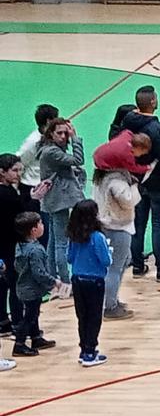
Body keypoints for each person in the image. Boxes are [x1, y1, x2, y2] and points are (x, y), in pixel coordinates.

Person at [123, 86, 160, 281]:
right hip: (158, 182)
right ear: (152, 102)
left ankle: (137, 265)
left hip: (136, 180)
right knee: (158, 225)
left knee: (138, 225)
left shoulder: (128, 122)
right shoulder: (157, 128)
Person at [91, 134, 149, 320]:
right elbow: (128, 202)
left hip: (109, 223)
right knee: (115, 267)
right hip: (117, 226)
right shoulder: (116, 181)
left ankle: (111, 298)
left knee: (121, 263)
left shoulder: (102, 176)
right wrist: (135, 187)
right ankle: (110, 306)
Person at [36, 116, 86, 291]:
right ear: (50, 134)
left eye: (66, 132)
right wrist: (75, 138)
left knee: (53, 242)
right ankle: (65, 283)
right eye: (60, 133)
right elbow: (78, 160)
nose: (64, 136)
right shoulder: (52, 152)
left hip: (54, 199)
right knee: (61, 243)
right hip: (59, 201)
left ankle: (53, 280)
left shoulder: (48, 148)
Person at [66, 200, 111, 367]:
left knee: (82, 316)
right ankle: (90, 352)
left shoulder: (74, 236)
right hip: (94, 282)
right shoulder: (97, 237)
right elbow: (106, 261)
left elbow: (69, 258)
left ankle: (84, 349)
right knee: (94, 317)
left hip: (77, 280)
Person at [0, 153, 35, 341]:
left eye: (20, 170)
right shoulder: (7, 194)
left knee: (3, 285)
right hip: (9, 246)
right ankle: (18, 324)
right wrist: (33, 198)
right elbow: (22, 216)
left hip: (4, 245)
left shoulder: (9, 191)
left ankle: (4, 321)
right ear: (1, 172)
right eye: (14, 170)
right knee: (16, 286)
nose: (18, 174)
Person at [12, 212, 55, 357]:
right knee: (30, 317)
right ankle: (19, 344)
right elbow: (39, 273)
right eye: (41, 223)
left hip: (23, 287)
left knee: (33, 313)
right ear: (34, 230)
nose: (43, 225)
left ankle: (36, 338)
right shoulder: (36, 250)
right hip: (32, 290)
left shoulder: (20, 246)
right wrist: (54, 283)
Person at [17, 104, 58, 201]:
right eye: (56, 118)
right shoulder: (32, 142)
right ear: (49, 121)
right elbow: (20, 161)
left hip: (48, 184)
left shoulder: (53, 136)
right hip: (33, 186)